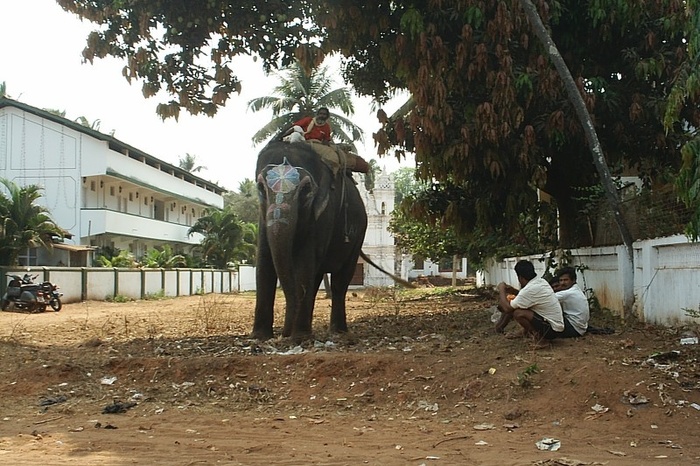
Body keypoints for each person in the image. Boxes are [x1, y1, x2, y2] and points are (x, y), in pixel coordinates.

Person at [494, 259, 565, 342]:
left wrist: (501, 289)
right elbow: (524, 297)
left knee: (518, 313)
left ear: (520, 277)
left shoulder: (530, 289)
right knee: (520, 307)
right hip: (555, 326)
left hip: (552, 330)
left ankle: (540, 340)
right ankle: (515, 331)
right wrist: (513, 290)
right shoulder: (540, 282)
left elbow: (507, 308)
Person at [284, 107, 369, 174]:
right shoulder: (308, 120)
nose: (322, 116)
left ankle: (332, 174)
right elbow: (295, 127)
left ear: (327, 116)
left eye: (324, 114)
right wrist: (283, 135)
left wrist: (327, 143)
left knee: (333, 157)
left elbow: (326, 140)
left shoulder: (326, 127)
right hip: (303, 140)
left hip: (317, 144)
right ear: (317, 114)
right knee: (296, 133)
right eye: (320, 114)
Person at [552, 266, 589, 338]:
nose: (562, 283)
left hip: (574, 329)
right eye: (561, 280)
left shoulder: (568, 293)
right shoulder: (575, 290)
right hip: (580, 328)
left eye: (566, 280)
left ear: (573, 280)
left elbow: (546, 299)